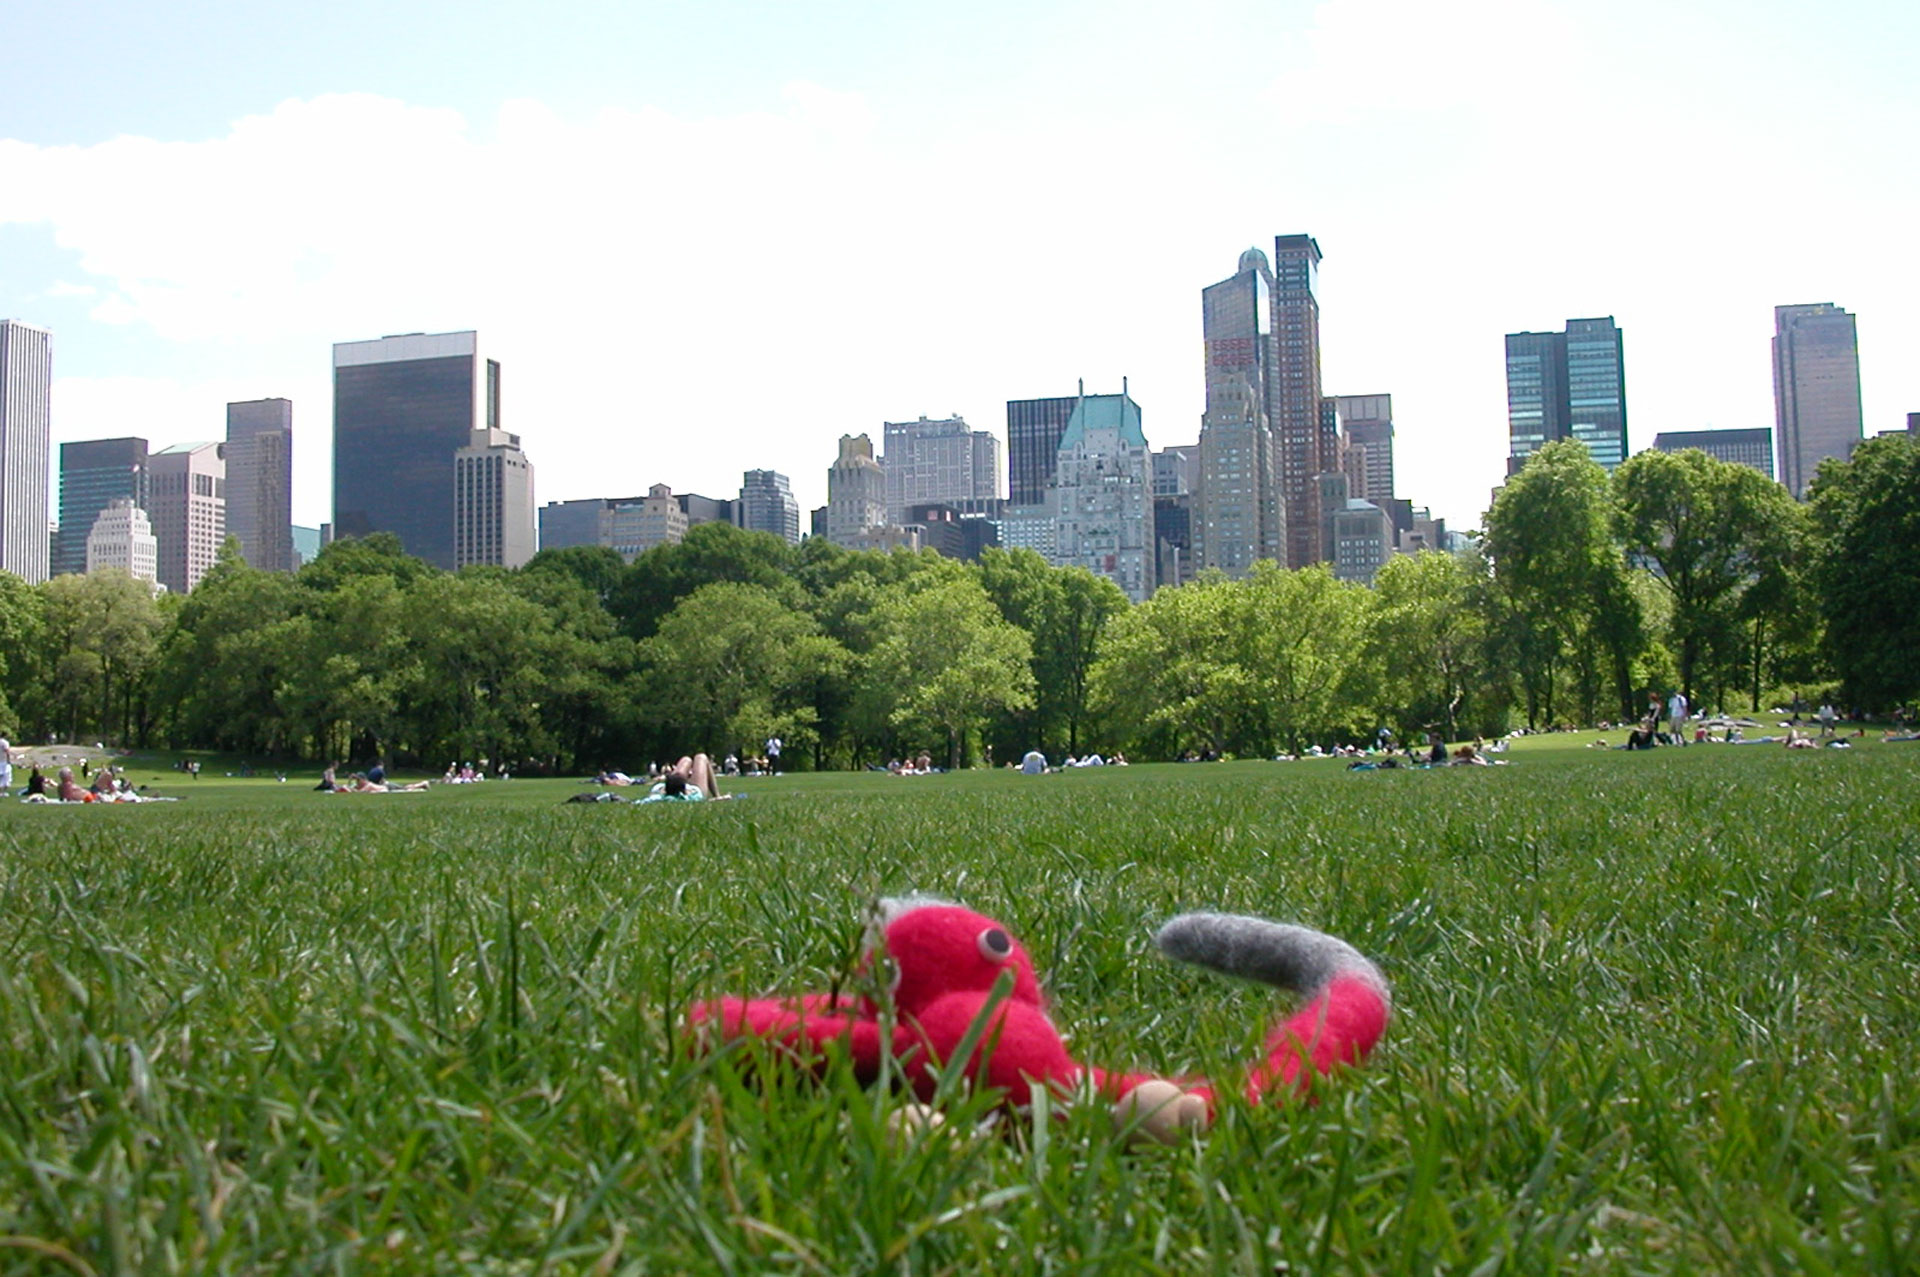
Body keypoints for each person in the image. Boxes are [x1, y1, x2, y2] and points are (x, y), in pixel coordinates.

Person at [641, 753, 725, 802]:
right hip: (691, 788)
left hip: (673, 786)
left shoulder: (657, 797)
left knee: (686, 760)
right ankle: (717, 795)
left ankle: (717, 796)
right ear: (685, 792)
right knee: (701, 757)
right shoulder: (692, 797)